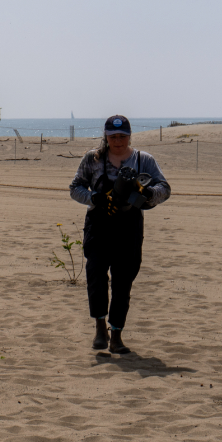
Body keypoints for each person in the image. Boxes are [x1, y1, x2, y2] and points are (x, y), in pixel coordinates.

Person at [68, 115, 170, 354]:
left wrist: (148, 195)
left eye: (122, 136)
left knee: (123, 281)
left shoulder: (144, 160)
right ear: (106, 136)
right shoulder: (92, 159)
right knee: (96, 276)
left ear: (129, 136)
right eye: (113, 136)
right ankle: (99, 329)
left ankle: (116, 335)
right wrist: (94, 198)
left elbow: (164, 188)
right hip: (98, 225)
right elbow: (75, 188)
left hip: (129, 227)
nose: (117, 141)